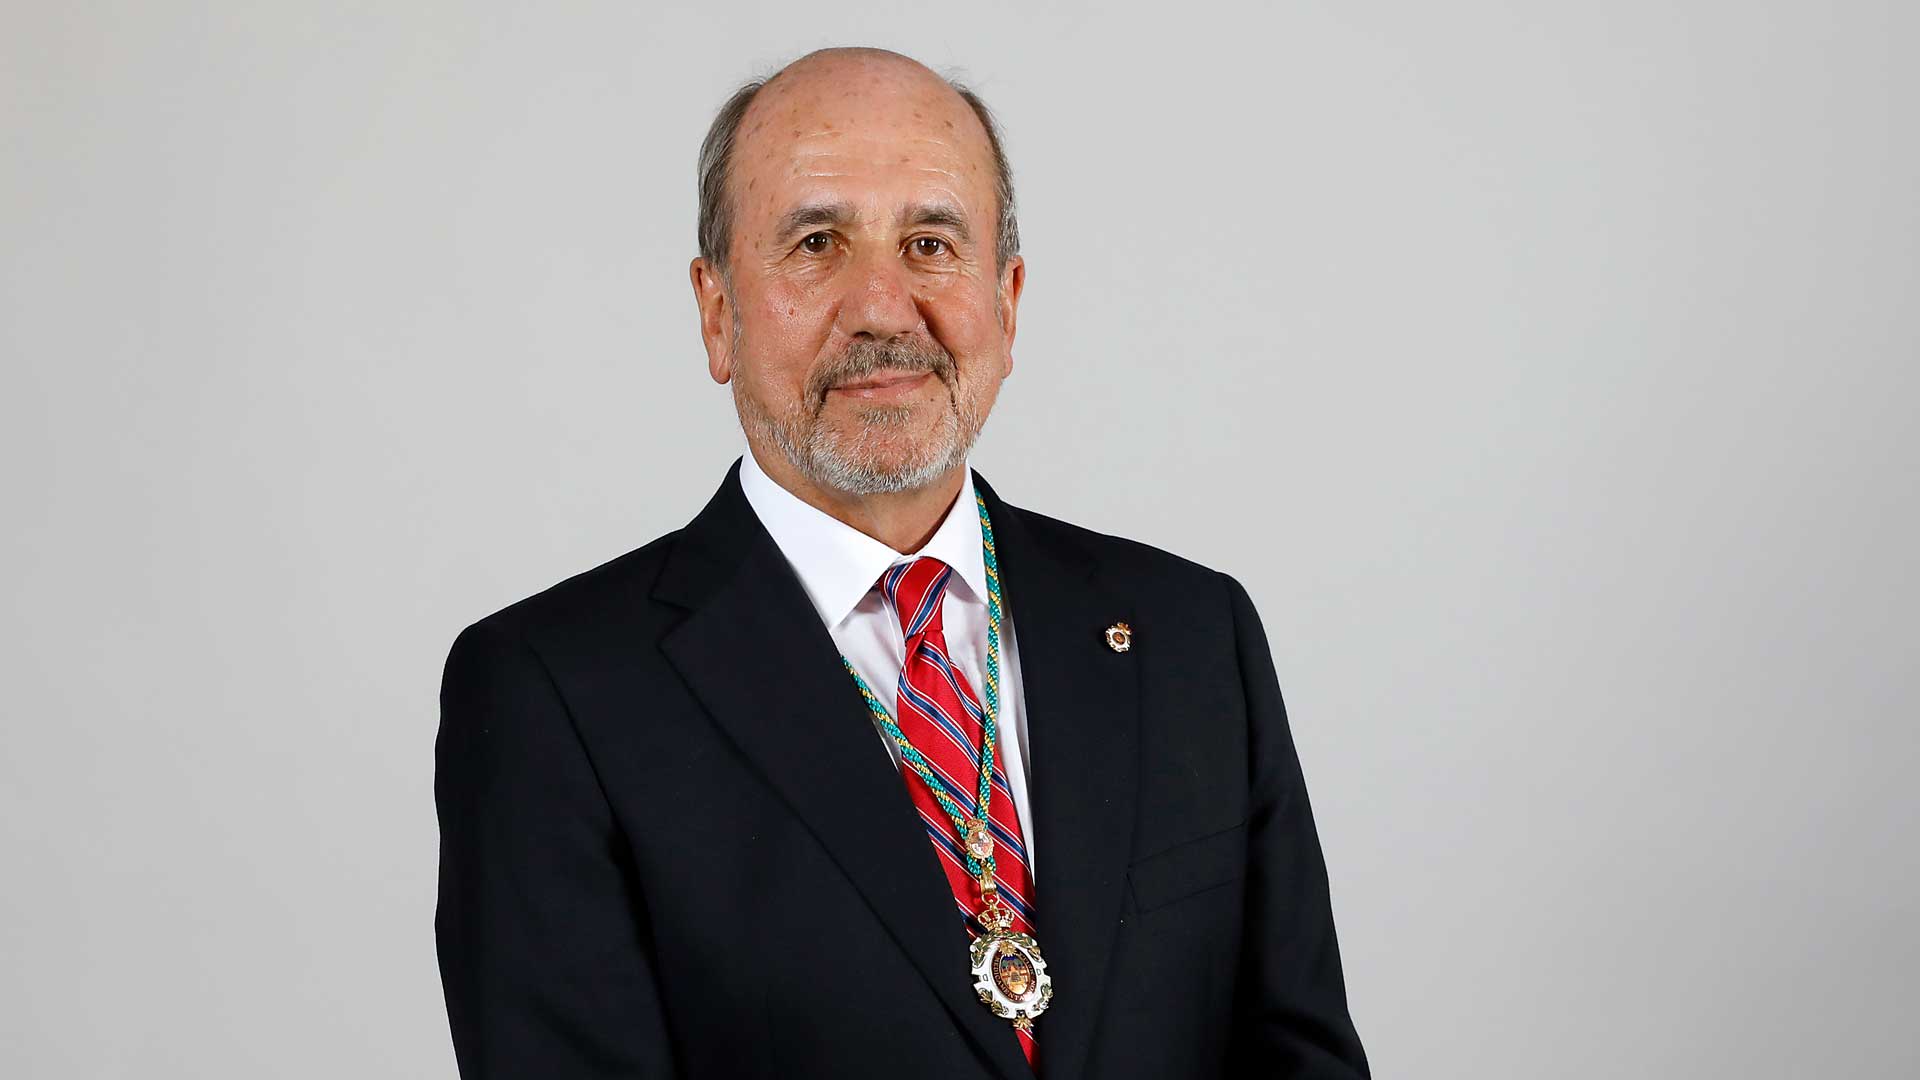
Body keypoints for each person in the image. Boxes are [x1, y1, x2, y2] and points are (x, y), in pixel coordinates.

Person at [434, 45, 1370, 1080]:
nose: (882, 307)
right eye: (817, 243)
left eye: (930, 244)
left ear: (1007, 303)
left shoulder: (1193, 635)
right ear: (718, 313)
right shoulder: (552, 694)